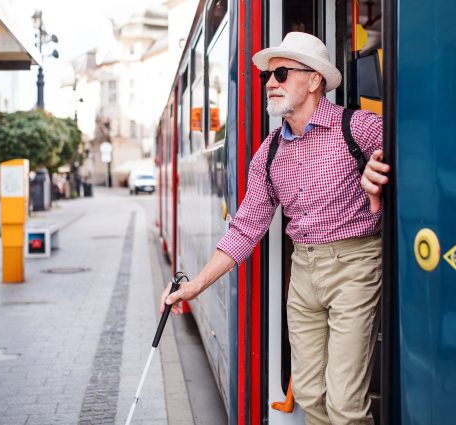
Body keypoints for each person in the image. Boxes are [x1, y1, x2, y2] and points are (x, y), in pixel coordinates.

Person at [160, 32, 383, 424]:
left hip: (355, 266)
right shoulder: (270, 150)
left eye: (281, 73)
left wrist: (380, 186)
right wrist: (194, 286)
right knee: (311, 395)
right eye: (267, 76)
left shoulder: (360, 128)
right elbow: (245, 229)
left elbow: (421, 166)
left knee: (345, 405)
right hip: (303, 274)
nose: (270, 83)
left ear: (314, 80)